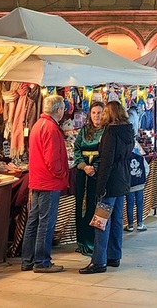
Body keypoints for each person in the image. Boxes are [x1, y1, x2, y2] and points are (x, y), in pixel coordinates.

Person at [80, 100, 135, 274]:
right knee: (117, 219)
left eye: (104, 113)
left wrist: (100, 186)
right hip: (122, 180)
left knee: (101, 221)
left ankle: (98, 261)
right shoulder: (128, 130)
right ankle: (114, 255)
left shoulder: (111, 132)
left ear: (110, 114)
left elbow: (107, 162)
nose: (101, 116)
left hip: (110, 183)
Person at [20, 94, 70, 273]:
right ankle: (42, 261)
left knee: (33, 221)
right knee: (46, 222)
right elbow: (52, 159)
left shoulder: (37, 126)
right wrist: (62, 173)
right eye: (63, 109)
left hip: (37, 180)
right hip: (48, 182)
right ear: (58, 110)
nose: (64, 112)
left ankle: (27, 260)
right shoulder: (51, 128)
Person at [72, 100, 105, 255]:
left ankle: (95, 242)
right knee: (81, 207)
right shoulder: (84, 131)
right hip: (82, 173)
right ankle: (82, 241)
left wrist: (95, 168)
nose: (96, 116)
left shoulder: (107, 131)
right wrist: (84, 166)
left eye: (99, 113)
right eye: (93, 113)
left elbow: (107, 154)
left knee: (94, 207)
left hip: (97, 175)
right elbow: (76, 149)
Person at [124, 140, 149, 232]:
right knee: (140, 203)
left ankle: (130, 225)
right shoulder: (140, 158)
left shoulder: (124, 159)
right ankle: (140, 223)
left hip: (129, 184)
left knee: (130, 204)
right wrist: (142, 178)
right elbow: (147, 169)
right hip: (140, 184)